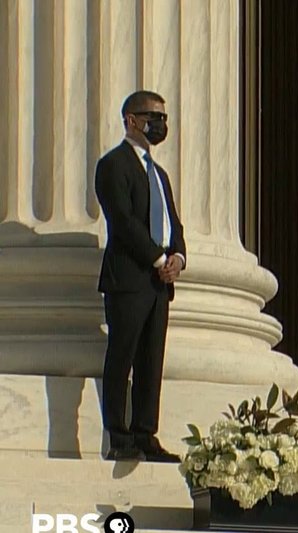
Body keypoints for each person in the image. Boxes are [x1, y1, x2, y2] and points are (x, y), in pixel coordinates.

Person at [94, 90, 186, 462]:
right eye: (153, 117)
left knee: (151, 360)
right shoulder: (113, 165)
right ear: (132, 120)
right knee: (122, 356)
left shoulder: (159, 174)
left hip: (159, 284)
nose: (160, 124)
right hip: (129, 279)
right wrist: (157, 258)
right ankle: (119, 436)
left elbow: (173, 223)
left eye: (163, 118)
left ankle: (146, 433)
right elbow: (123, 220)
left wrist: (178, 257)